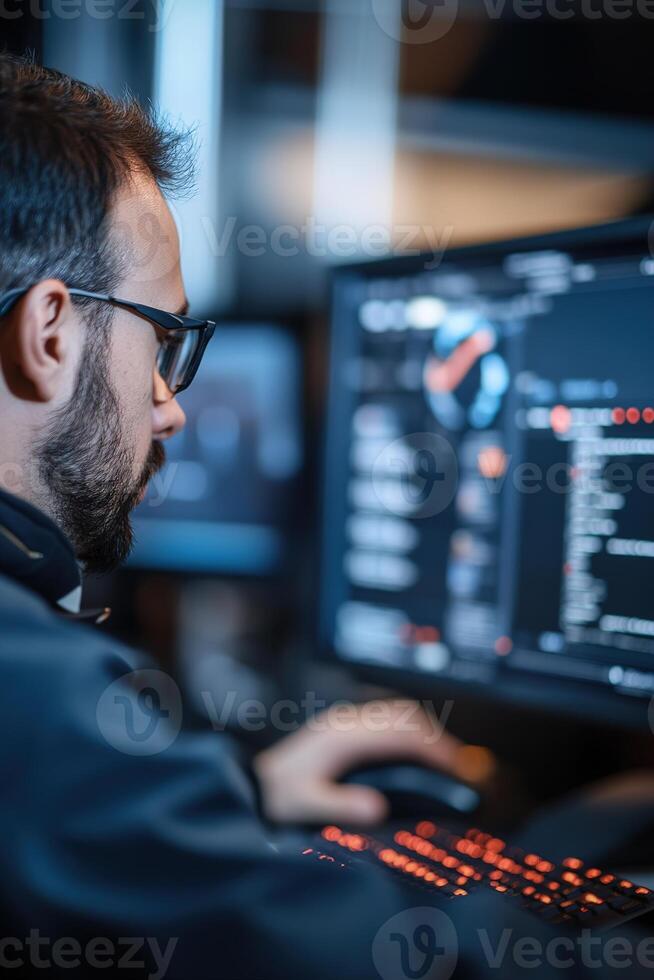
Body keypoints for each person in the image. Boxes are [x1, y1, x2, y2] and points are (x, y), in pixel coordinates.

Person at [0, 54, 475, 980]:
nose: (171, 407)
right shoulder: (29, 689)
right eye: (161, 341)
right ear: (49, 333)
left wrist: (237, 797)